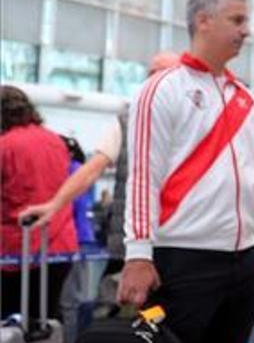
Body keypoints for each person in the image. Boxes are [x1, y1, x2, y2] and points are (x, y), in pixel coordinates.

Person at [115, 0, 254, 343]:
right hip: (182, 259)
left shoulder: (243, 97)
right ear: (204, 21)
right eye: (237, 20)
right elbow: (142, 176)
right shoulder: (161, 89)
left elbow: (253, 172)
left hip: (247, 261)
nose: (245, 30)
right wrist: (138, 254)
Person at [19, 52, 180, 277]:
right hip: (140, 241)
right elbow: (92, 169)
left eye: (164, 73)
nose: (156, 80)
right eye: (151, 74)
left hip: (189, 239)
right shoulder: (126, 121)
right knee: (148, 307)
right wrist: (55, 204)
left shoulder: (200, 120)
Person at [1, 85, 78, 321]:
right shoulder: (56, 141)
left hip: (17, 249)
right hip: (60, 245)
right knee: (47, 318)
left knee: (11, 324)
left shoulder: (5, 145)